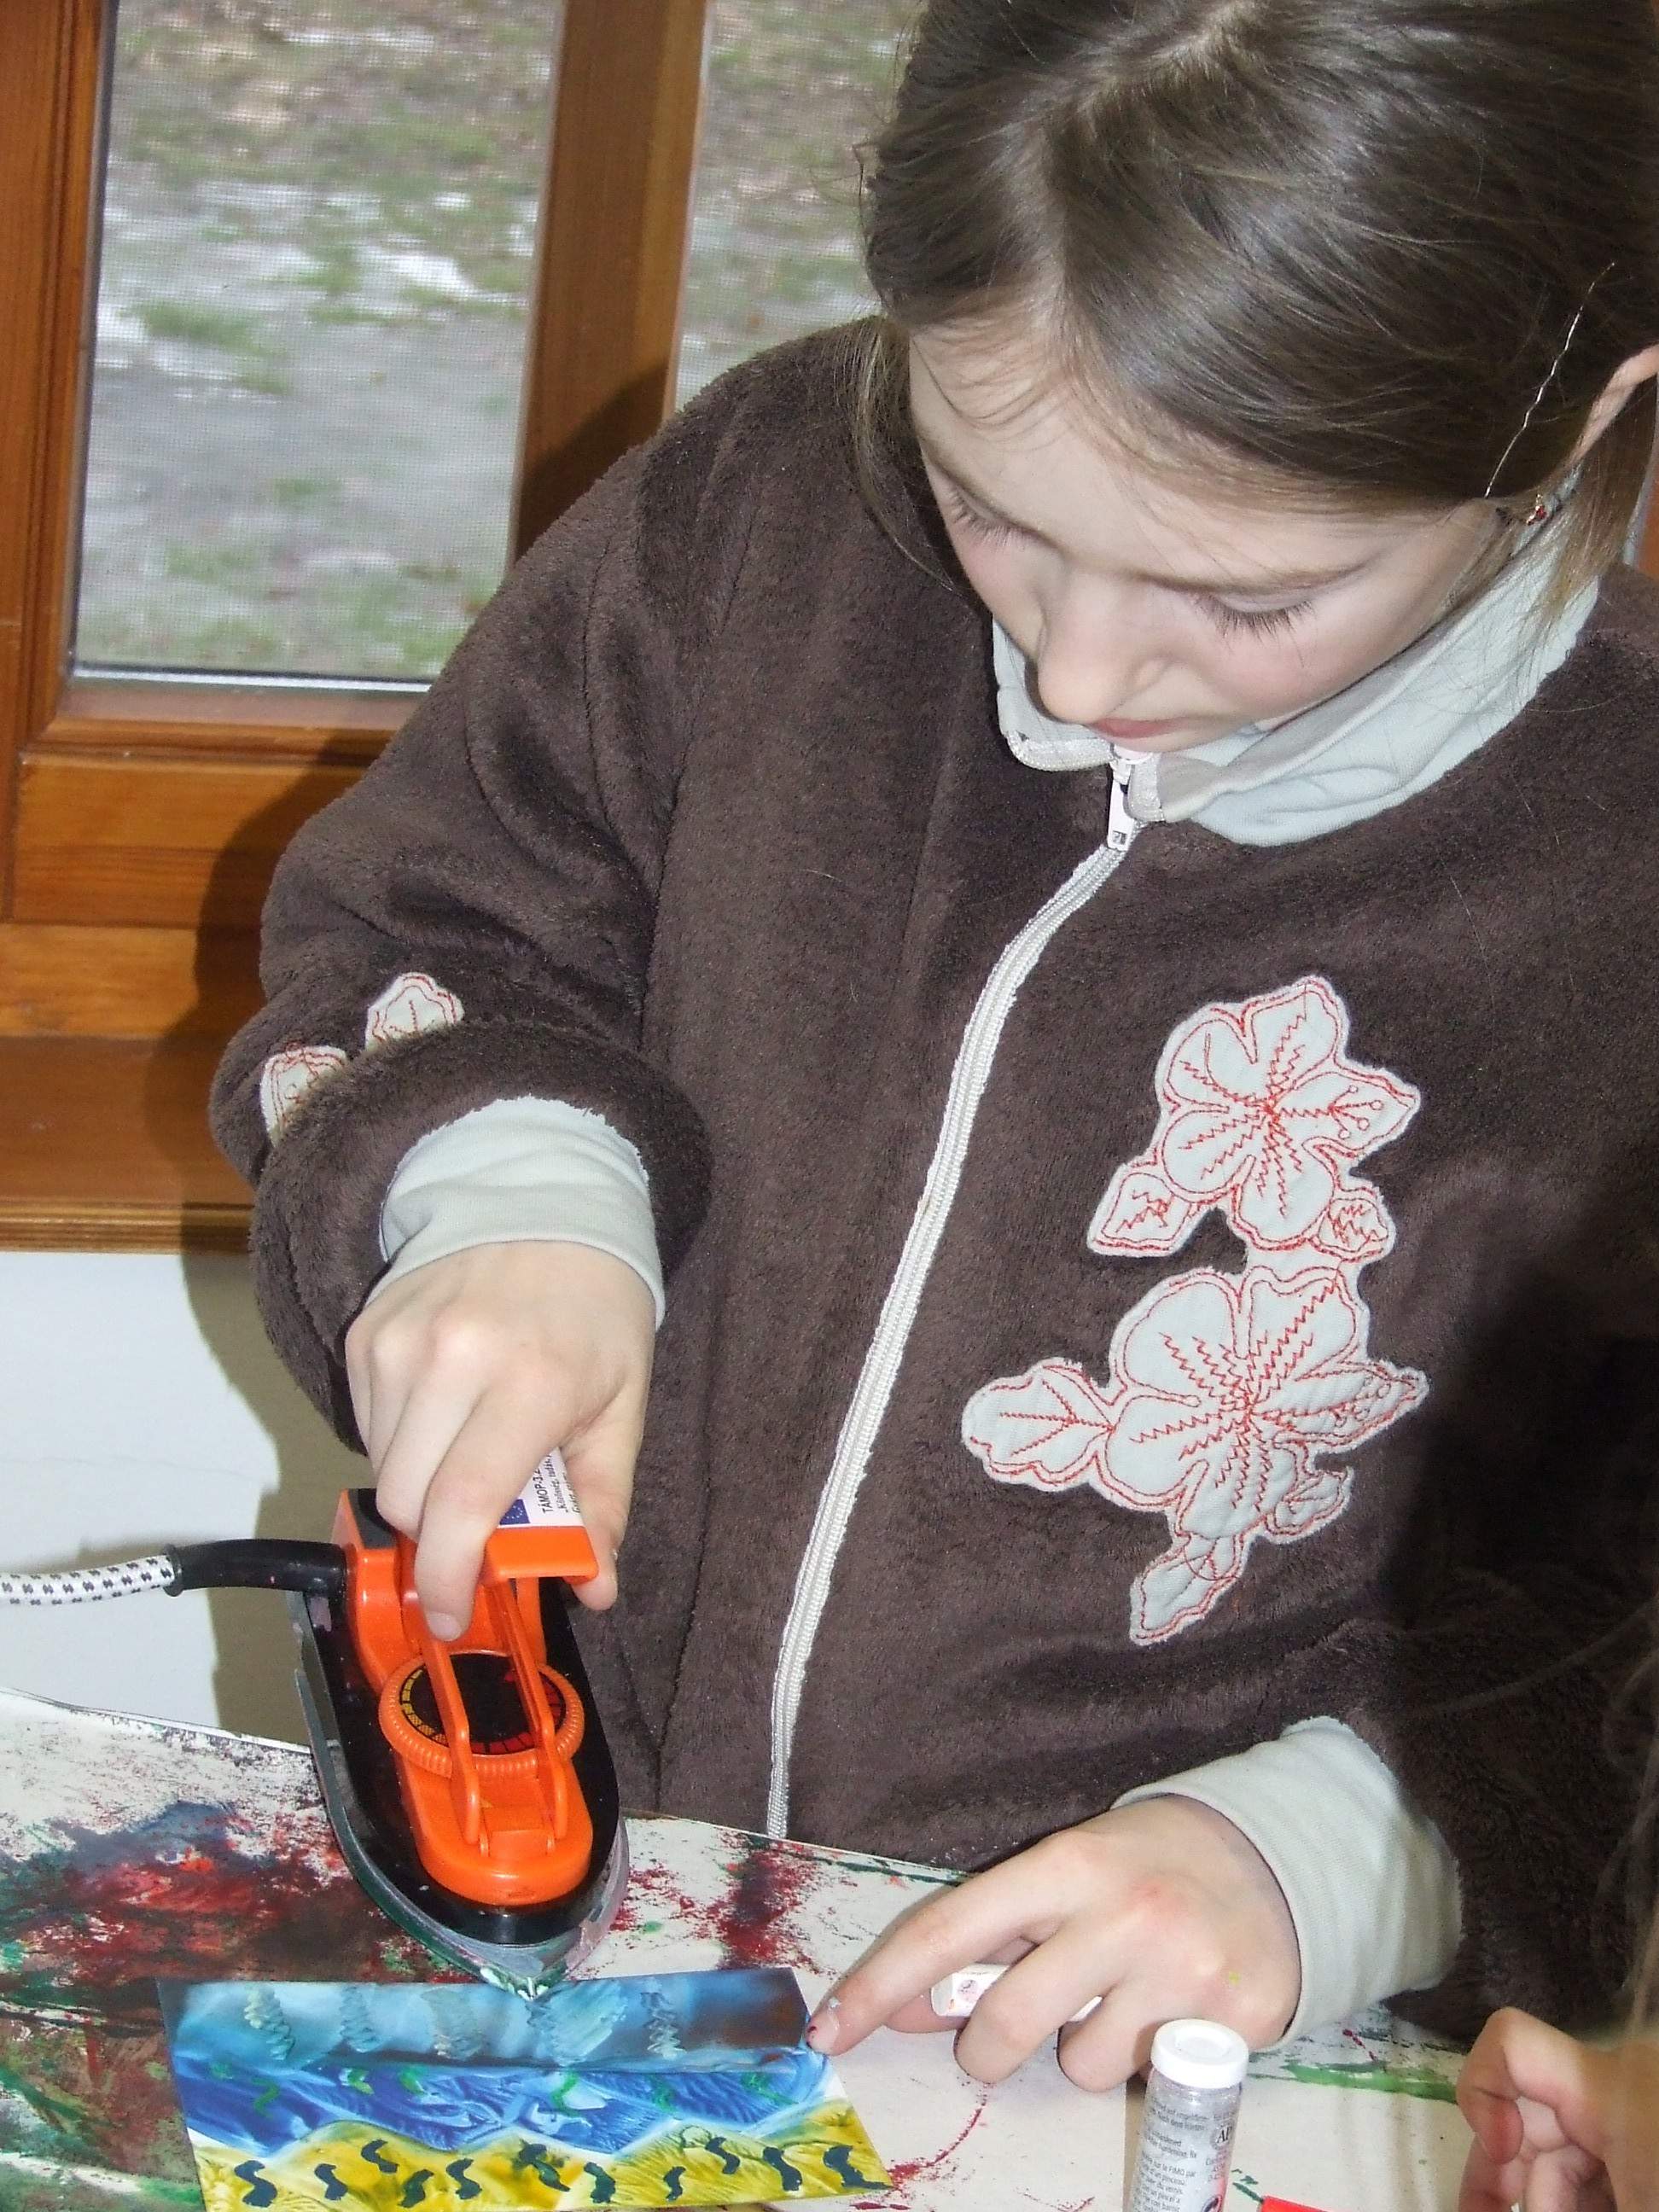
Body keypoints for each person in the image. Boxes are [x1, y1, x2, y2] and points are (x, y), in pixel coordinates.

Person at [214, 0, 1659, 2088]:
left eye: (1248, 599)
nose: (1079, 668)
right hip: (585, 1877)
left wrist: (1348, 1850)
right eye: (990, 508)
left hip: (1173, 2037)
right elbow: (442, 912)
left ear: (1582, 415)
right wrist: (506, 1190)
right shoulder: (771, 504)